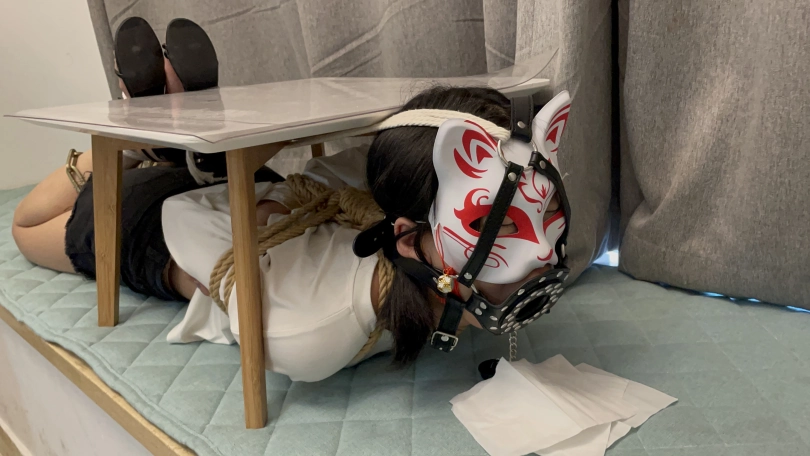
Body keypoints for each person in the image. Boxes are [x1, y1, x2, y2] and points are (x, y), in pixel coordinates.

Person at [13, 17, 573, 382]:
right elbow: (180, 212)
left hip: (251, 189)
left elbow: (344, 168)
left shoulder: (404, 213)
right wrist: (266, 222)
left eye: (547, 215)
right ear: (407, 236)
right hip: (156, 228)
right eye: (500, 227)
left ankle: (173, 145)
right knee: (24, 225)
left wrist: (282, 202)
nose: (543, 256)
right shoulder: (310, 332)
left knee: (222, 181)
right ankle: (133, 147)